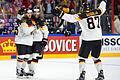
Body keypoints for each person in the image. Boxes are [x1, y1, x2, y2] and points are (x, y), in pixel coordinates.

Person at [53, 0, 106, 80]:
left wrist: (60, 14)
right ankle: (101, 74)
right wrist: (103, 1)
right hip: (98, 39)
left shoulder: (81, 15)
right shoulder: (97, 12)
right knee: (96, 58)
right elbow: (102, 8)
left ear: (82, 9)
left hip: (87, 39)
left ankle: (82, 75)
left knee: (82, 58)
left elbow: (70, 18)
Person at [25, 7, 49, 78]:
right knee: (29, 57)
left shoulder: (41, 21)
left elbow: (46, 31)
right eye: (34, 12)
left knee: (35, 56)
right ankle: (30, 70)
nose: (36, 13)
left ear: (39, 13)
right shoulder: (29, 20)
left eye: (37, 12)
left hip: (38, 41)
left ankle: (32, 71)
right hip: (29, 40)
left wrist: (45, 39)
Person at [15, 9, 36, 78]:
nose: (29, 14)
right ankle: (18, 71)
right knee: (21, 56)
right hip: (21, 41)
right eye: (28, 13)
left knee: (26, 57)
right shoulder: (23, 21)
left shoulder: (31, 20)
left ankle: (22, 69)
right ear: (25, 14)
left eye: (30, 13)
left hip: (28, 41)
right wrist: (34, 27)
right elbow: (26, 32)